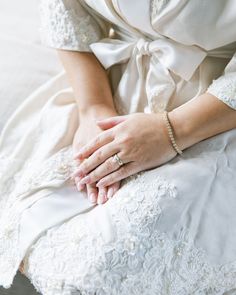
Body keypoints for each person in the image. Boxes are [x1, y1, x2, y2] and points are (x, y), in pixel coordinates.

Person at [0, 0, 236, 294]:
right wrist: (94, 106)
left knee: (107, 265)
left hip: (215, 112)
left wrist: (172, 130)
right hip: (108, 83)